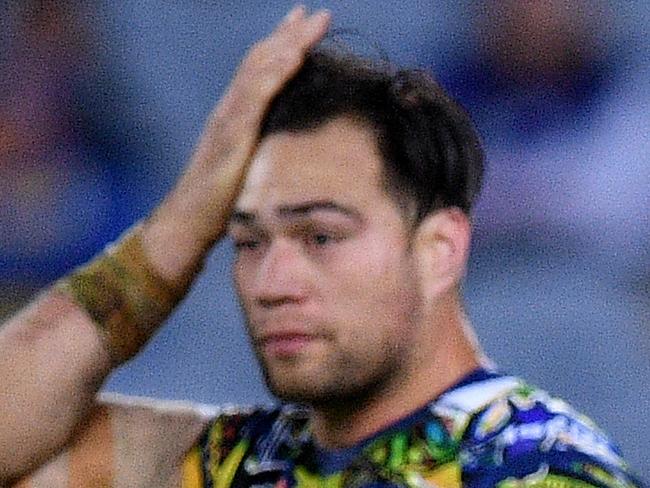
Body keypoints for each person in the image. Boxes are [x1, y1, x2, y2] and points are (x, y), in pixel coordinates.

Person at [0, 6, 643, 487]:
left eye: (321, 236)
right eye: (248, 242)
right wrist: (178, 226)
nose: (271, 282)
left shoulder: (538, 469)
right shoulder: (234, 461)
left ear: (439, 250)